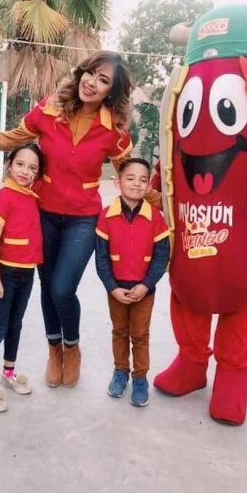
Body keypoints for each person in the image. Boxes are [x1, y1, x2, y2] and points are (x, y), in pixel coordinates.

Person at [0, 50, 136, 389]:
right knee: (46, 287)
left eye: (103, 80)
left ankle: (72, 346)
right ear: (81, 72)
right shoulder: (50, 109)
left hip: (83, 218)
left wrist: (160, 201)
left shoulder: (115, 131)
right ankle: (54, 351)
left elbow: (131, 173)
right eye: (91, 73)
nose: (92, 83)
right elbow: (13, 137)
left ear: (112, 91)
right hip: (44, 214)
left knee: (62, 288)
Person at [95, 158, 170, 407]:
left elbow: (161, 256)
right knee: (119, 332)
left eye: (143, 180)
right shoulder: (106, 216)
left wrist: (146, 285)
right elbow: (101, 257)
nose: (136, 184)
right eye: (130, 178)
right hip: (116, 289)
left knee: (140, 335)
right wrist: (112, 287)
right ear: (117, 182)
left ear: (149, 185)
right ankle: (120, 372)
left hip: (143, 291)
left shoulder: (156, 217)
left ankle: (140, 378)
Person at [0, 144, 45, 412]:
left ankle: (8, 372)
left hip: (27, 273)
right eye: (20, 164)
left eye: (32, 168)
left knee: (15, 325)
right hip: (6, 272)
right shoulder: (5, 196)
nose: (25, 171)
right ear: (9, 165)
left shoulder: (31, 196)